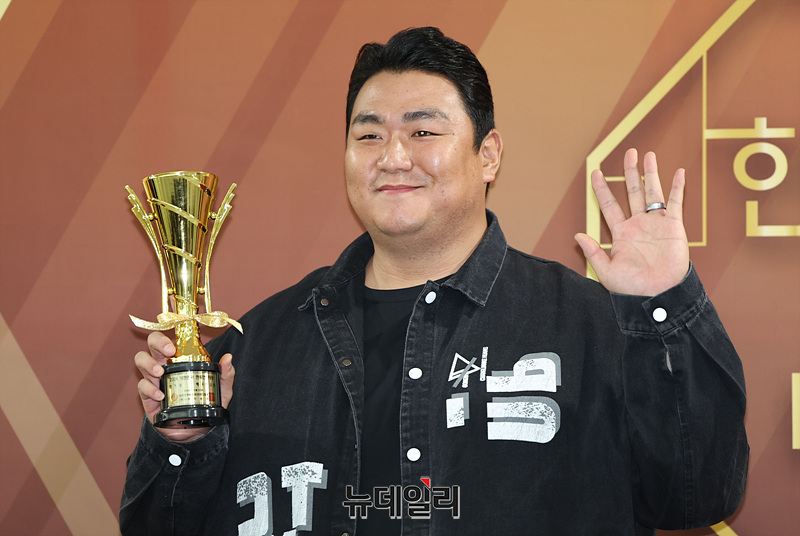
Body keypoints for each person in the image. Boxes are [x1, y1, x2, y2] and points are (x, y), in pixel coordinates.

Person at [120, 27, 748, 536]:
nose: (393, 156)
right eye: (369, 134)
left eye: (422, 132)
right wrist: (182, 443)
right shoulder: (256, 343)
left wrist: (664, 308)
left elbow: (697, 496)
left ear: (488, 154)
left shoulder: (591, 323)